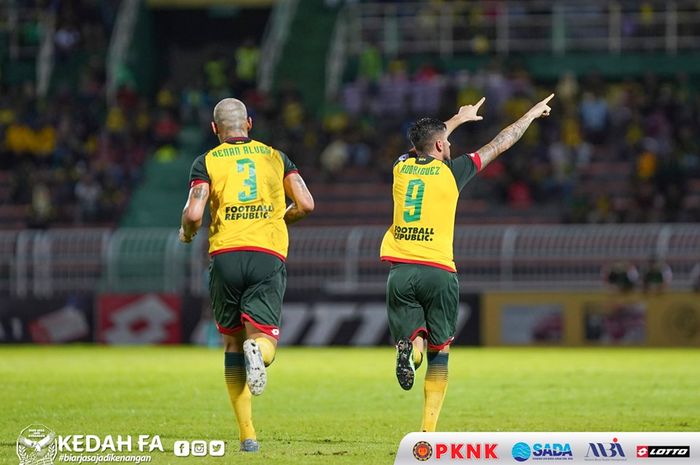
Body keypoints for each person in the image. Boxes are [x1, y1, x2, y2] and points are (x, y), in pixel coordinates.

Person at [379, 93, 554, 432]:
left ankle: (407, 351)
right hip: (440, 271)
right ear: (443, 145)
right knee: (440, 352)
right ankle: (427, 432)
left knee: (414, 342)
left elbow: (428, 139)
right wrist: (530, 114)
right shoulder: (453, 173)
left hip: (400, 270)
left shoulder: (399, 168)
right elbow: (501, 142)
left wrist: (457, 119)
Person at [179, 98, 314, 452]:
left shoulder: (205, 161)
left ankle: (247, 436)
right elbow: (306, 203)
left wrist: (188, 232)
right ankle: (259, 349)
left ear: (214, 129)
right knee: (263, 339)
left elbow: (194, 213)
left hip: (225, 256)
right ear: (249, 124)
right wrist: (281, 218)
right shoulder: (275, 156)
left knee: (231, 345)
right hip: (266, 254)